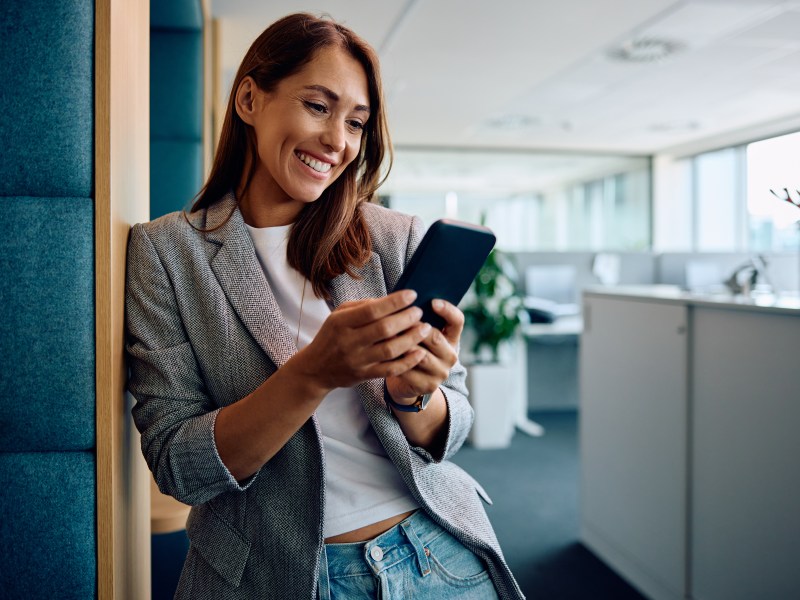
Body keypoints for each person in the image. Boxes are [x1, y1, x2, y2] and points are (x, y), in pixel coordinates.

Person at [125, 12, 523, 600]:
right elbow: (180, 467)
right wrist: (312, 373)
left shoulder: (394, 238)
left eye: (356, 123)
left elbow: (453, 424)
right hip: (272, 576)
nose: (339, 141)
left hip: (436, 556)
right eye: (318, 106)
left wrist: (415, 393)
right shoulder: (166, 253)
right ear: (249, 98)